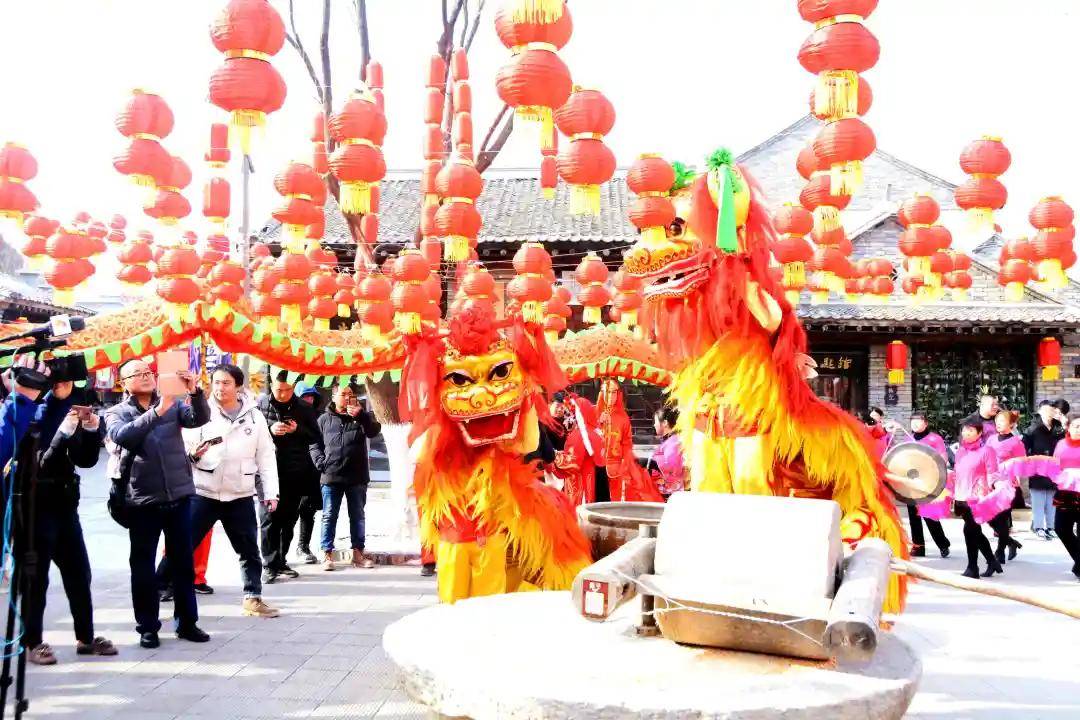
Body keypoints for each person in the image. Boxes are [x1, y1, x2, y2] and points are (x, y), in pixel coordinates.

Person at [104, 359, 211, 649]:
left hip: (178, 496)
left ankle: (187, 623)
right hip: (142, 501)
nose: (145, 377)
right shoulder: (117, 412)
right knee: (142, 566)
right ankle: (148, 627)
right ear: (123, 382)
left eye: (148, 372)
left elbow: (198, 418)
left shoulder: (172, 404)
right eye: (136, 374)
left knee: (183, 564)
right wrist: (157, 411)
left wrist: (195, 393)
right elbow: (123, 437)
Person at [158, 364, 281, 618]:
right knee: (182, 544)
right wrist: (194, 454)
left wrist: (271, 492)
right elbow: (184, 446)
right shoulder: (200, 412)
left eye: (226, 383)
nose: (220, 388)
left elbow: (266, 457)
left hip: (240, 493)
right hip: (203, 491)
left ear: (238, 386)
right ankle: (157, 586)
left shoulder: (254, 416)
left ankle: (253, 597)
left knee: (248, 549)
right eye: (216, 382)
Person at [24, 381, 118, 665]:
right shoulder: (30, 410)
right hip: (32, 508)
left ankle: (86, 638)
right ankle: (33, 642)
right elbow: (42, 461)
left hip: (65, 505)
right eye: (58, 385)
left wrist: (90, 429)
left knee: (79, 573)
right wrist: (62, 431)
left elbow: (86, 460)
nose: (66, 388)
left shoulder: (69, 407)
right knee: (35, 579)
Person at [310, 382, 382, 571]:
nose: (348, 397)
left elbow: (374, 431)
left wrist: (362, 416)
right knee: (328, 515)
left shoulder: (360, 417)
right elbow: (313, 443)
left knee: (357, 516)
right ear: (334, 397)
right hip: (331, 475)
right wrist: (320, 462)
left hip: (356, 475)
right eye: (343, 394)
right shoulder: (324, 419)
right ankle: (326, 553)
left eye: (351, 394)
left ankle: (358, 553)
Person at [257, 371, 320, 583]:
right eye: (278, 390)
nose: (282, 394)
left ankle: (281, 560)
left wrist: (297, 430)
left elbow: (315, 436)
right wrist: (270, 429)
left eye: (287, 390)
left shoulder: (304, 408)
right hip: (267, 471)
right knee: (268, 519)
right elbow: (249, 432)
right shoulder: (260, 405)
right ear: (271, 386)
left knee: (288, 519)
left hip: (295, 471)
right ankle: (268, 564)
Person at [952, 421, 1005, 579]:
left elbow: (993, 473)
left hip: (978, 495)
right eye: (964, 430)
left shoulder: (987, 450)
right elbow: (958, 472)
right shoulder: (960, 451)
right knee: (973, 531)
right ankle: (992, 561)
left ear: (980, 433)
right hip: (961, 495)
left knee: (970, 530)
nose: (966, 433)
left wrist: (995, 489)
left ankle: (972, 567)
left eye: (971, 430)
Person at [595, 379, 662, 502]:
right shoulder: (593, 414)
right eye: (606, 392)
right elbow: (588, 437)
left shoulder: (623, 418)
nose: (610, 396)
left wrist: (626, 464)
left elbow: (627, 444)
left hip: (616, 467)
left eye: (613, 392)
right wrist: (598, 423)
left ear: (618, 394)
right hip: (596, 467)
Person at [906, 413, 950, 558]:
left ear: (925, 423)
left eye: (918, 422)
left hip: (928, 482)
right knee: (914, 517)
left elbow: (942, 458)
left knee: (929, 515)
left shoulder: (934, 439)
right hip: (911, 483)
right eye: (913, 422)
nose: (915, 425)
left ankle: (943, 544)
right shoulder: (909, 438)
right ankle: (918, 547)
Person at [551, 393, 605, 506]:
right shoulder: (596, 432)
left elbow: (571, 463)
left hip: (579, 483)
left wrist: (554, 454)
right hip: (591, 478)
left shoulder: (579, 435)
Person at [985, 410, 1024, 563]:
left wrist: (1017, 477)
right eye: (997, 420)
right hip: (990, 482)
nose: (998, 424)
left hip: (1006, 483)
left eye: (1002, 421)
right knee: (988, 517)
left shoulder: (1016, 442)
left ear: (1012, 424)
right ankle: (1010, 542)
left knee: (1001, 518)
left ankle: (1000, 551)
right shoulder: (991, 439)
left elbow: (1021, 463)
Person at [292, 382, 323, 563]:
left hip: (312, 473)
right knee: (288, 513)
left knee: (307, 510)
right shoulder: (289, 417)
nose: (309, 400)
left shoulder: (319, 418)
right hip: (292, 471)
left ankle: (303, 546)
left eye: (311, 397)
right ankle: (278, 554)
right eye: (305, 397)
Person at [1023, 400, 1063, 540]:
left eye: (1051, 410)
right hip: (1037, 468)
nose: (1048, 414)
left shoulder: (1058, 429)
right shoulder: (1032, 429)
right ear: (1039, 412)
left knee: (1052, 501)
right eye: (1045, 411)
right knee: (1038, 499)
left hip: (1054, 469)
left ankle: (1051, 527)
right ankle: (1039, 527)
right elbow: (1023, 448)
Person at [1052, 413, 1080, 580]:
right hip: (1065, 493)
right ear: (1068, 427)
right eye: (1076, 426)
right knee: (1061, 528)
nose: (1079, 430)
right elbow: (1055, 464)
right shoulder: (1061, 444)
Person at [648, 407, 686, 498]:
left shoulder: (673, 443)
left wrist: (652, 465)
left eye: (656, 422)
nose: (654, 425)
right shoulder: (671, 441)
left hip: (672, 495)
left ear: (664, 423)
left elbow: (673, 470)